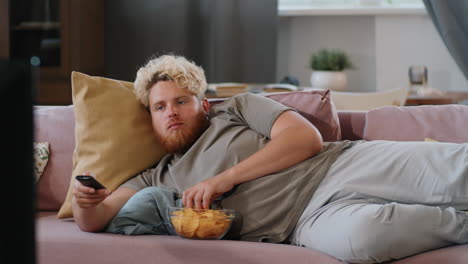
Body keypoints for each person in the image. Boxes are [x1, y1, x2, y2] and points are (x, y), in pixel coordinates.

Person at [72, 54, 468, 263]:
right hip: (302, 226)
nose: (171, 112)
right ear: (152, 120)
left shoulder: (238, 108)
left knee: (457, 171)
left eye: (181, 101)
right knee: (367, 239)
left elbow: (304, 139)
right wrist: (86, 203)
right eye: (159, 108)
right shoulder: (155, 178)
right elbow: (97, 218)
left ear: (203, 103)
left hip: (338, 165)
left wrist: (223, 180)